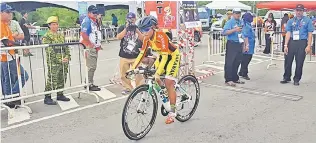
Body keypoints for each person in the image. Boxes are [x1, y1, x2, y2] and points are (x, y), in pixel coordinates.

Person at [128, 16, 180, 124]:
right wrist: (133, 68)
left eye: (146, 29)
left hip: (172, 56)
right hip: (162, 56)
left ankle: (173, 112)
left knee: (168, 81)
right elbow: (142, 54)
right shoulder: (147, 39)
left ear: (153, 28)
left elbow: (166, 57)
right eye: (142, 30)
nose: (144, 32)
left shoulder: (161, 36)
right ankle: (165, 94)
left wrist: (158, 73)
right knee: (153, 76)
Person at [1, 3, 29, 107]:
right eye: (7, 12)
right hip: (7, 56)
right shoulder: (1, 25)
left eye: (10, 12)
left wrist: (16, 41)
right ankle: (12, 96)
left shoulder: (5, 24)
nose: (10, 14)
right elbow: (6, 42)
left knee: (7, 79)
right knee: (24, 76)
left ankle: (8, 99)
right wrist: (21, 45)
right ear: (1, 13)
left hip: (7, 56)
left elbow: (14, 38)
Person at [281, 4, 314, 86]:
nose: (298, 12)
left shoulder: (307, 20)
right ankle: (286, 77)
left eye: (300, 10)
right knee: (288, 60)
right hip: (292, 42)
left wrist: (309, 45)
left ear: (303, 11)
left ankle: (296, 79)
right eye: (297, 10)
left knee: (299, 62)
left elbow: (310, 34)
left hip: (302, 42)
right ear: (295, 11)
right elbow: (288, 33)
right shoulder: (291, 21)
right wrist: (285, 45)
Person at [41, 16, 71, 105]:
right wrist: (59, 60)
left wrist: (67, 56)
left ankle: (60, 94)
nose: (55, 26)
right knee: (52, 79)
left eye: (56, 24)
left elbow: (66, 46)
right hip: (53, 61)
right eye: (53, 24)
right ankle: (47, 97)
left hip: (63, 60)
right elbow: (49, 50)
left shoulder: (60, 35)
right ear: (49, 25)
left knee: (62, 77)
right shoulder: (46, 36)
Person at [116, 12, 145, 95]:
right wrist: (126, 29)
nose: (131, 21)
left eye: (132, 19)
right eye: (129, 19)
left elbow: (143, 39)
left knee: (138, 73)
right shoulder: (122, 27)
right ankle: (127, 88)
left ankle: (140, 87)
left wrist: (137, 31)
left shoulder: (138, 28)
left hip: (135, 55)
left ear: (135, 19)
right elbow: (118, 37)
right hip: (124, 55)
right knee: (123, 74)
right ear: (126, 19)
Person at [80, 5, 101, 91]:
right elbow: (83, 34)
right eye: (93, 12)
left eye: (96, 12)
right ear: (89, 13)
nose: (95, 14)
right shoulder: (87, 21)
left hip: (93, 46)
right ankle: (88, 84)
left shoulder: (93, 21)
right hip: (88, 46)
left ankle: (89, 83)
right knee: (91, 66)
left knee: (92, 66)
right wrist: (90, 44)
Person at [222, 8, 245, 87]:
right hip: (232, 43)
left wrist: (245, 43)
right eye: (236, 13)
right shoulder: (230, 22)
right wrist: (234, 30)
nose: (238, 15)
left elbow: (243, 33)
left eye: (239, 13)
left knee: (237, 61)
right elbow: (224, 32)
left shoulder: (240, 22)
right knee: (230, 62)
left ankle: (235, 77)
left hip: (239, 43)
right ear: (233, 14)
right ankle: (228, 79)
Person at [238, 12, 255, 80]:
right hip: (248, 44)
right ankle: (244, 73)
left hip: (250, 44)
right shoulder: (246, 25)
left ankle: (241, 71)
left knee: (245, 59)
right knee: (246, 59)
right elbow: (245, 36)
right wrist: (246, 45)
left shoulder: (247, 24)